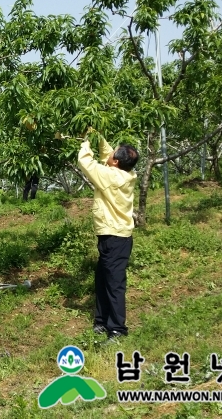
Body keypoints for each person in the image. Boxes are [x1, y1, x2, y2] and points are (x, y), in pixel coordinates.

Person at [77, 134, 139, 342]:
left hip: (115, 237)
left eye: (114, 152)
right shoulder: (126, 173)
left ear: (116, 162)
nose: (110, 152)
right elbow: (108, 154)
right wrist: (98, 135)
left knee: (114, 284)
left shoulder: (110, 176)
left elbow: (85, 161)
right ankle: (101, 321)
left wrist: (86, 141)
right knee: (103, 278)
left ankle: (117, 329)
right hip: (113, 235)